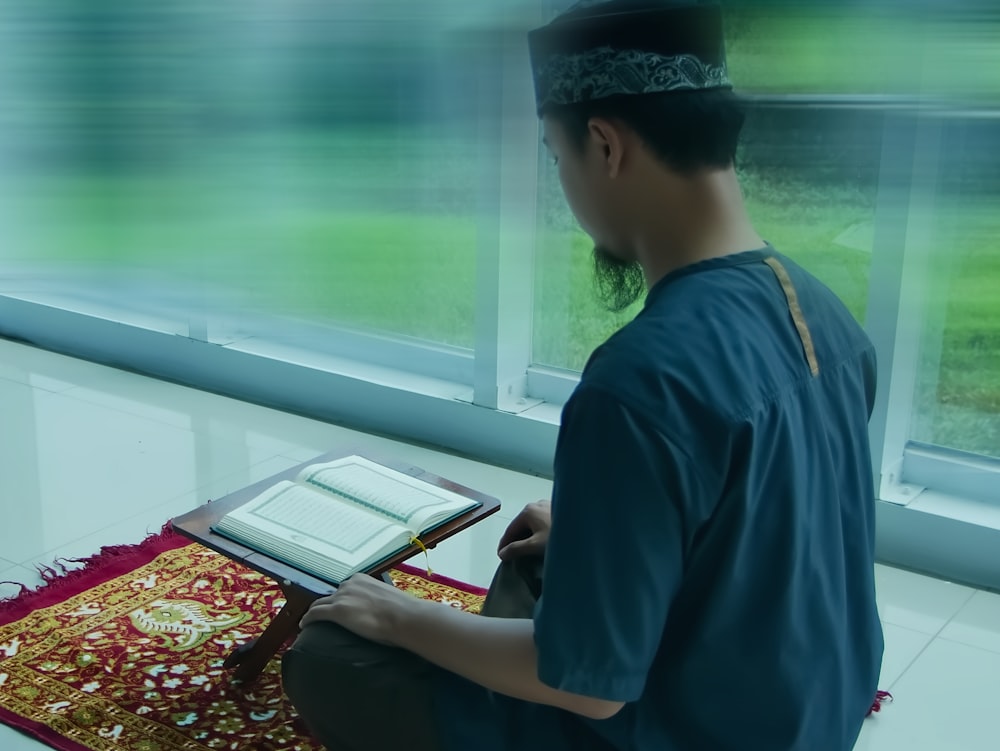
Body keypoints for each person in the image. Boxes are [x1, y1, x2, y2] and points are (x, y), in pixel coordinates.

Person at [281, 1, 885, 749]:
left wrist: (401, 615)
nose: (564, 186)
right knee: (541, 556)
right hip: (806, 716)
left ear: (604, 144)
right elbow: (771, 531)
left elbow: (589, 690)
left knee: (330, 656)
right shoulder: (824, 314)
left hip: (683, 727)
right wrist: (591, 534)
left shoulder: (639, 380)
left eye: (554, 154)